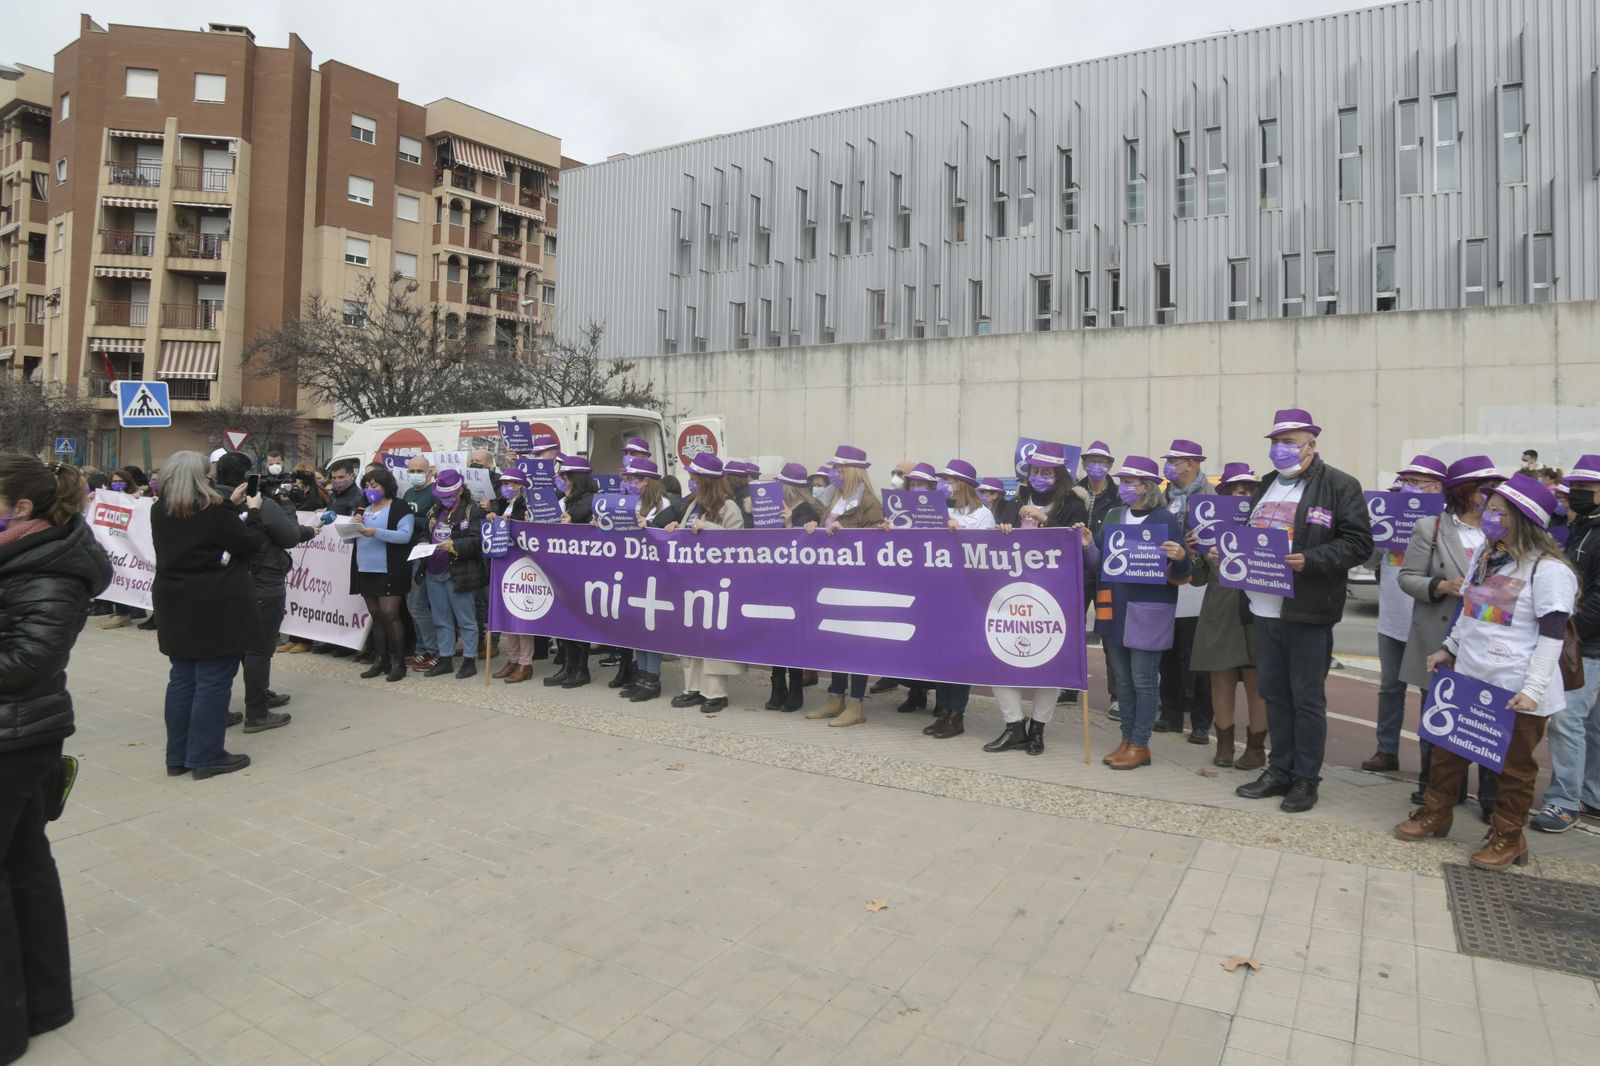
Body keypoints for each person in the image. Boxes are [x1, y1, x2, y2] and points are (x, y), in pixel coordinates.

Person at [1395, 474, 1578, 869]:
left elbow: (1552, 636)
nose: (1487, 515)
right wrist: (1449, 648)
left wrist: (1532, 688)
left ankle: (1508, 836)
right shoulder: (1486, 554)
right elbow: (1470, 610)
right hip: (1471, 676)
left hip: (1517, 688)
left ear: (1523, 519)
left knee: (1514, 768)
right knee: (1449, 751)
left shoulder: (1548, 571)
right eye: (1488, 508)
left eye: (1497, 511)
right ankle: (1436, 812)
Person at [0, 456, 111, 1065]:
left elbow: (29, 659)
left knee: (23, 868)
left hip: (19, 735)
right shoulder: (26, 554)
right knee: (25, 863)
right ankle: (43, 1004)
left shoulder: (49, 567)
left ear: (21, 510)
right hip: (21, 731)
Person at [1234, 409, 1373, 813]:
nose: (1281, 450)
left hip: (1308, 609)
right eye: (1276, 443)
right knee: (1274, 694)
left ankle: (1306, 779)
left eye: (1290, 442)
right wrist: (1228, 553)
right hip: (1264, 606)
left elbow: (1359, 544)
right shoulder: (1266, 486)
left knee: (1307, 698)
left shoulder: (1339, 486)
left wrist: (1310, 559)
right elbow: (1252, 539)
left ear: (1312, 444)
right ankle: (1279, 770)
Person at [1396, 455, 1501, 814]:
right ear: (1464, 492)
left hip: (1489, 639)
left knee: (1490, 717)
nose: (1492, 496)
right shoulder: (1432, 527)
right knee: (1439, 714)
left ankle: (1491, 798)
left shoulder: (1502, 531)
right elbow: (1407, 577)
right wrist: (1441, 585)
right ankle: (1436, 789)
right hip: (1440, 635)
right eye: (1485, 489)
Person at [150, 451, 264, 778]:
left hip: (174, 601)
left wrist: (230, 502)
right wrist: (252, 512)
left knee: (183, 678)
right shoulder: (211, 510)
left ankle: (178, 755)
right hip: (215, 602)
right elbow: (247, 544)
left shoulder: (161, 509)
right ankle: (206, 755)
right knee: (214, 679)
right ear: (202, 476)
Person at [1093, 457, 1191, 769]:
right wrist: (1085, 545)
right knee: (1122, 681)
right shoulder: (1114, 515)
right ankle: (1126, 739)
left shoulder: (1164, 519)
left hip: (1149, 611)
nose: (1123, 487)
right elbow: (1098, 559)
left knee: (1144, 679)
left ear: (1146, 487)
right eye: (1121, 481)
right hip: (1115, 608)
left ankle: (1140, 743)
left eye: (1129, 482)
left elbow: (1181, 572)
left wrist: (1180, 557)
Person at [214, 451, 312, 733]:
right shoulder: (261, 504)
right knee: (259, 647)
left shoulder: (209, 501)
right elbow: (290, 535)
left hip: (223, 583)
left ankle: (225, 704)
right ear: (247, 478)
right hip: (262, 582)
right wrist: (286, 505)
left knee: (230, 646)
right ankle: (257, 711)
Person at [1362, 455, 1447, 774]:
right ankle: (1386, 750)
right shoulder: (1392, 517)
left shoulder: (1446, 524)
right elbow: (1369, 563)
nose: (1409, 488)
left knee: (1431, 693)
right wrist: (1376, 532)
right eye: (1406, 481)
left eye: (1416, 483)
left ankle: (1431, 762)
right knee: (1390, 688)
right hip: (1393, 620)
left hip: (1430, 621)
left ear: (1436, 487)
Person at [1530, 455, 1600, 833]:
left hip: (1586, 648)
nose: (1576, 495)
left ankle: (1563, 802)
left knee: (1568, 724)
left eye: (1586, 490)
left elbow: (1597, 599)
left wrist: (1569, 637)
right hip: (1587, 647)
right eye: (1575, 489)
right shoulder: (1580, 528)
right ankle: (1591, 794)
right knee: (1590, 727)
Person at [1187, 463, 1269, 769]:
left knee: (1255, 681)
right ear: (1224, 494)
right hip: (1219, 610)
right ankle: (1223, 744)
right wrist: (1195, 554)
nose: (1244, 494)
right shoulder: (1205, 526)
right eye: (1238, 489)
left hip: (1253, 609)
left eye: (1249, 489)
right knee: (1219, 679)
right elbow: (1195, 578)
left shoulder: (1265, 521)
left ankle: (1256, 747)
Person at [798, 447, 884, 727]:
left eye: (839, 469)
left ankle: (856, 703)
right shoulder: (833, 497)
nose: (834, 473)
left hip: (858, 580)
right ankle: (836, 697)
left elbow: (876, 541)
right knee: (836, 640)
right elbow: (822, 526)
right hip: (832, 577)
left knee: (855, 642)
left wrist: (848, 534)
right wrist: (814, 527)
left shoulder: (868, 501)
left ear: (851, 471)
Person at [665, 453, 746, 712]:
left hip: (716, 585)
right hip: (690, 582)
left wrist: (709, 528)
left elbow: (738, 544)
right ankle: (693, 689)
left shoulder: (729, 508)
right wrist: (675, 528)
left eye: (695, 477)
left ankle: (716, 693)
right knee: (689, 637)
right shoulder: (693, 505)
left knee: (712, 639)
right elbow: (687, 533)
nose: (691, 480)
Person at [924, 460, 997, 740]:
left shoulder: (982, 515)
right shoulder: (938, 510)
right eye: (943, 480)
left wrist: (960, 531)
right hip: (938, 590)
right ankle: (943, 709)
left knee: (959, 654)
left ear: (963, 484)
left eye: (950, 480)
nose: (945, 485)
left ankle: (957, 714)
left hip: (967, 592)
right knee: (941, 653)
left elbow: (984, 554)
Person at [1157, 439, 1215, 743]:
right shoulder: (1166, 495)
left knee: (1198, 657)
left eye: (1174, 460)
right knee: (1169, 653)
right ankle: (1171, 714)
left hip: (1199, 583)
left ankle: (1202, 721)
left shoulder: (1211, 497)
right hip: (1168, 580)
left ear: (1191, 464)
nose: (1169, 465)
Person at [761, 462, 820, 712]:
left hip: (797, 584)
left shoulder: (808, 512)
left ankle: (795, 687)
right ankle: (777, 684)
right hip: (775, 580)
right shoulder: (774, 508)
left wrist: (788, 525)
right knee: (775, 634)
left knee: (792, 637)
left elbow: (801, 549)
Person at [419, 469, 487, 680]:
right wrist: (422, 542)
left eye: (448, 496)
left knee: (465, 618)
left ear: (458, 492)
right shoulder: (435, 510)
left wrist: (454, 545)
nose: (444, 500)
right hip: (434, 571)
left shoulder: (472, 511)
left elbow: (477, 541)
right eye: (441, 496)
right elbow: (425, 531)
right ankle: (445, 658)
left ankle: (469, 659)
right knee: (441, 618)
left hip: (458, 571)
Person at [351, 466, 416, 682]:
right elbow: (348, 539)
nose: (370, 490)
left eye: (374, 485)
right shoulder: (363, 509)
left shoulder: (399, 507)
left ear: (385, 486)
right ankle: (381, 660)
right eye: (367, 486)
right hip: (365, 568)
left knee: (390, 614)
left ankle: (399, 662)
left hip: (390, 568)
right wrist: (352, 527)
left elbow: (405, 536)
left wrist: (376, 532)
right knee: (376, 615)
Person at [544, 455, 597, 688]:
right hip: (562, 564)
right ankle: (567, 666)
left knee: (578, 619)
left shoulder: (589, 499)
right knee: (562, 618)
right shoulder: (567, 498)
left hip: (581, 567)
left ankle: (581, 668)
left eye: (567, 476)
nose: (563, 480)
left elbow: (574, 522)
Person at [400, 455, 440, 673]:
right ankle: (422, 648)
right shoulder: (407, 493)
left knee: (418, 605)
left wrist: (409, 519)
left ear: (429, 472)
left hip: (423, 554)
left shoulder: (434, 494)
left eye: (419, 470)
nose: (415, 474)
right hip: (407, 553)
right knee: (411, 605)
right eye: (411, 470)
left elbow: (434, 522)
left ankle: (433, 650)